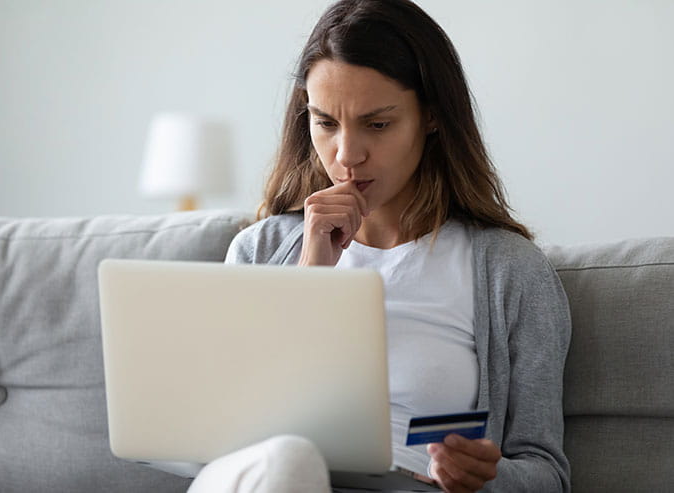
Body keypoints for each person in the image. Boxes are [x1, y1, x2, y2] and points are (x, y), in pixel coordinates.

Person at [189, 0, 571, 491]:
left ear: (431, 117)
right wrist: (309, 276)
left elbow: (548, 472)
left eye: (377, 124)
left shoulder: (510, 272)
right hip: (271, 479)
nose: (346, 155)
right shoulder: (258, 251)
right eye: (325, 123)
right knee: (287, 462)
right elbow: (218, 431)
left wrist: (485, 477)